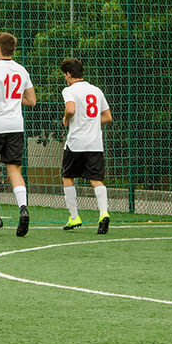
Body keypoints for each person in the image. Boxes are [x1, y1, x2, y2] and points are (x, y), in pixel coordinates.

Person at [0, 32, 36, 236]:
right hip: (15, 126)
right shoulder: (21, 70)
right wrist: (12, 100)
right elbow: (31, 100)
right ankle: (23, 208)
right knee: (14, 170)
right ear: (13, 49)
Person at [58, 58, 113, 234]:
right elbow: (107, 117)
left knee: (68, 177)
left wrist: (66, 119)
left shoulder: (69, 90)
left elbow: (71, 109)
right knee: (96, 179)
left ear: (68, 74)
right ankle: (104, 212)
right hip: (95, 143)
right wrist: (91, 122)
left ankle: (74, 217)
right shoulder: (96, 91)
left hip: (76, 143)